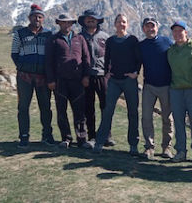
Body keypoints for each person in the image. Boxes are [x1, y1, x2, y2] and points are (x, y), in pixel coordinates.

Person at [93, 14, 142, 155]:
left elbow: (139, 59)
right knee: (108, 111)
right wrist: (107, 73)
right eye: (119, 22)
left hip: (129, 81)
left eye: (124, 22)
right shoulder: (111, 41)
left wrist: (136, 72)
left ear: (127, 24)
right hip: (114, 81)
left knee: (133, 112)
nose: (122, 24)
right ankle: (100, 142)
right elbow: (107, 58)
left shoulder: (133, 40)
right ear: (115, 24)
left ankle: (133, 145)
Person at [45, 14, 92, 149]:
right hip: (60, 82)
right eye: (63, 22)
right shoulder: (53, 40)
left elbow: (86, 58)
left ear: (72, 24)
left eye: (69, 23)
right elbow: (48, 62)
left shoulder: (80, 38)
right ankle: (66, 138)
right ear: (59, 23)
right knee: (61, 111)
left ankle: (82, 139)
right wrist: (51, 80)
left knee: (79, 111)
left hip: (78, 81)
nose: (66, 25)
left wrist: (86, 76)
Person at [10, 4, 54, 148]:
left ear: (43, 19)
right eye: (34, 16)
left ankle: (47, 135)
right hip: (25, 77)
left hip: (43, 76)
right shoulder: (20, 33)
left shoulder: (48, 34)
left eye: (40, 17)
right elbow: (14, 53)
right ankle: (24, 136)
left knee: (45, 107)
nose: (37, 19)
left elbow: (52, 55)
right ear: (29, 18)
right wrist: (22, 67)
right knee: (23, 107)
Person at [167, 20, 192, 164]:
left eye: (180, 31)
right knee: (178, 121)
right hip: (176, 90)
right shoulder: (171, 50)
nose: (177, 34)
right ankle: (181, 151)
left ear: (186, 32)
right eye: (175, 31)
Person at [138, 17, 175, 160]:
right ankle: (149, 147)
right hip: (149, 86)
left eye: (152, 26)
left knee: (167, 117)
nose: (150, 29)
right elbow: (136, 62)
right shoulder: (141, 46)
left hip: (166, 86)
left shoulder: (167, 42)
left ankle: (167, 147)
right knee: (146, 117)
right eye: (147, 27)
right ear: (143, 29)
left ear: (157, 27)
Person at [78, 10, 115, 147]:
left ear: (98, 21)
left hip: (103, 76)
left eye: (93, 19)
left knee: (106, 106)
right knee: (89, 108)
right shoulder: (79, 37)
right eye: (88, 19)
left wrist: (110, 73)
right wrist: (83, 75)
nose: (91, 21)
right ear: (84, 21)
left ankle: (106, 135)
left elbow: (111, 57)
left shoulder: (105, 37)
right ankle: (92, 136)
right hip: (86, 77)